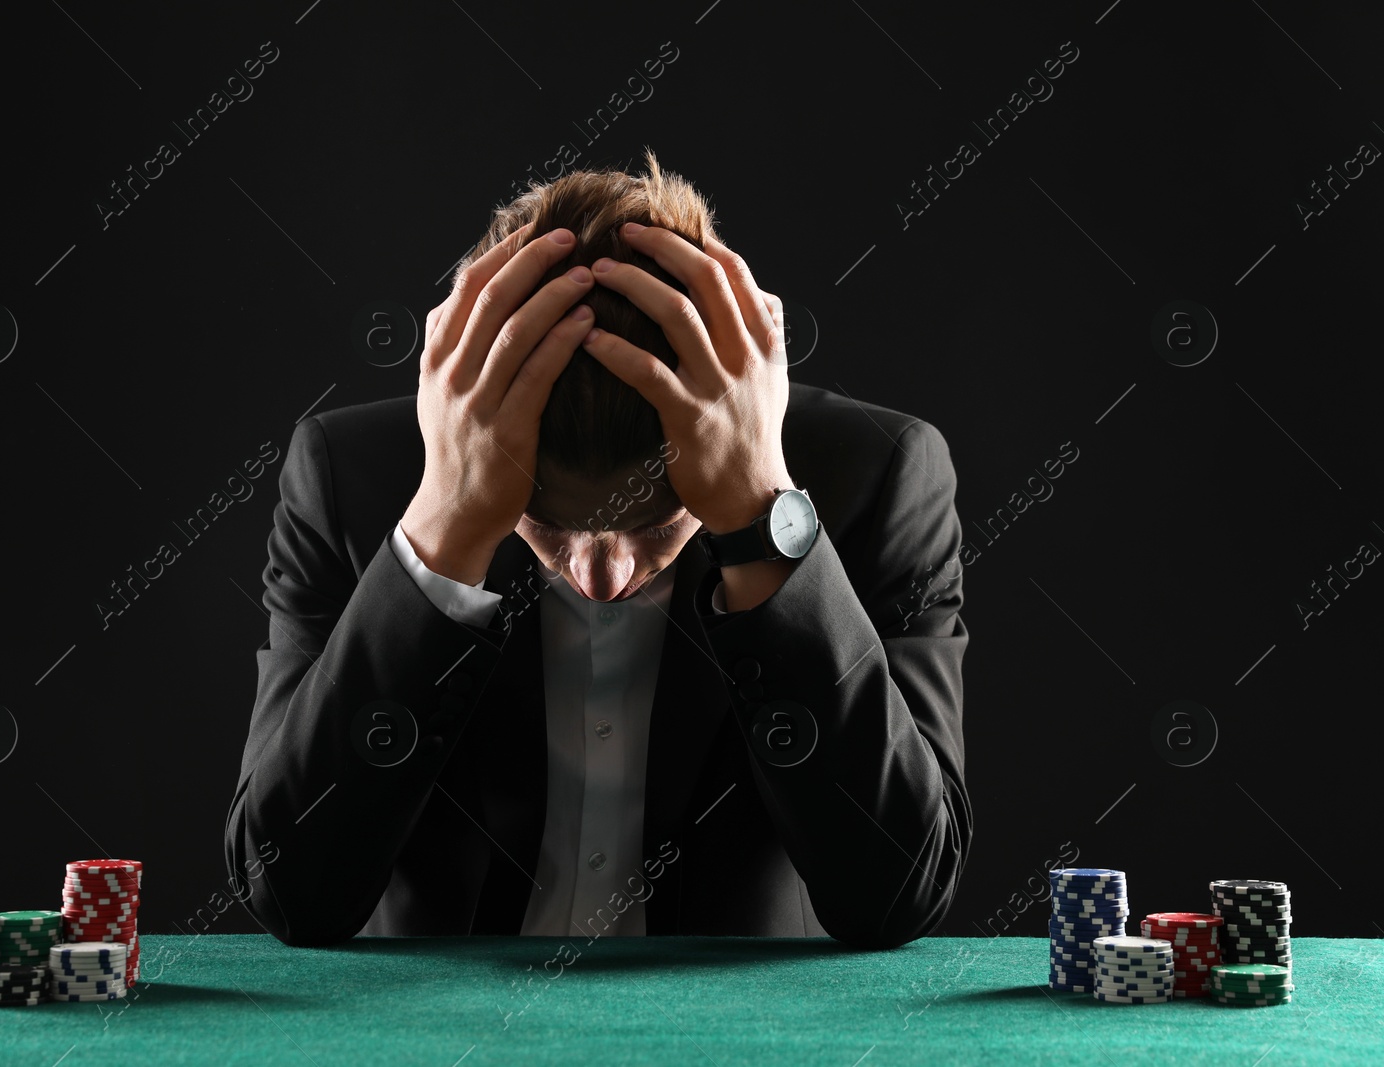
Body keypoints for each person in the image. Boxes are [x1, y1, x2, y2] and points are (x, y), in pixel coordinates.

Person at [224, 151, 970, 947]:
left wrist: (761, 523)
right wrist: (442, 535)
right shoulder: (348, 478)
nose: (600, 574)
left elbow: (900, 892)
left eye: (654, 524)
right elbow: (289, 891)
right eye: (545, 521)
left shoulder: (880, 476)